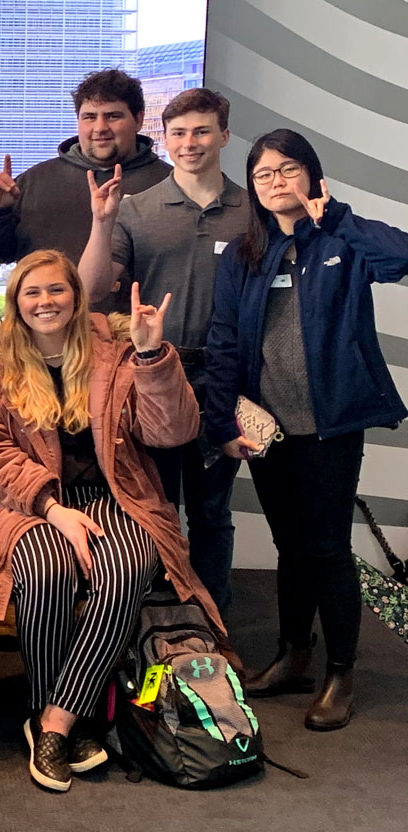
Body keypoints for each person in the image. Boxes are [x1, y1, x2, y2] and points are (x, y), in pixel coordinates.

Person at [0, 250, 224, 792]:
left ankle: (54, 720)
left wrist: (153, 357)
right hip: (31, 500)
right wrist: (54, 509)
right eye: (32, 293)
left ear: (76, 297)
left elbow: (174, 431)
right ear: (16, 304)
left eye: (56, 290)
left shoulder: (120, 354)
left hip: (118, 494)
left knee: (125, 571)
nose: (45, 302)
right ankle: (71, 720)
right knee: (47, 572)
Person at [205, 129, 408, 731]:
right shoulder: (245, 253)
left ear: (311, 176)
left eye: (288, 170)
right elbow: (222, 340)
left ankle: (340, 671)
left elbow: (401, 256)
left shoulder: (339, 241)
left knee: (326, 549)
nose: (275, 182)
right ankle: (295, 654)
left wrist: (337, 216)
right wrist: (220, 425)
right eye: (263, 174)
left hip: (330, 426)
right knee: (290, 546)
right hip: (267, 430)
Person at [77, 88, 250, 614]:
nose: (189, 143)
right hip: (153, 379)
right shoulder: (136, 208)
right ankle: (158, 627)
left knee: (212, 513)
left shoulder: (253, 210)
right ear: (165, 138)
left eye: (201, 131)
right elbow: (89, 291)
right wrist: (102, 222)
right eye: (178, 133)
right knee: (153, 509)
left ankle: (212, 625)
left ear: (223, 134)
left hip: (225, 381)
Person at [0, 69, 170, 282]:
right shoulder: (33, 182)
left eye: (113, 116)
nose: (100, 128)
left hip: (142, 314)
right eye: (89, 117)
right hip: (49, 314)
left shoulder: (169, 184)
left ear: (138, 119)